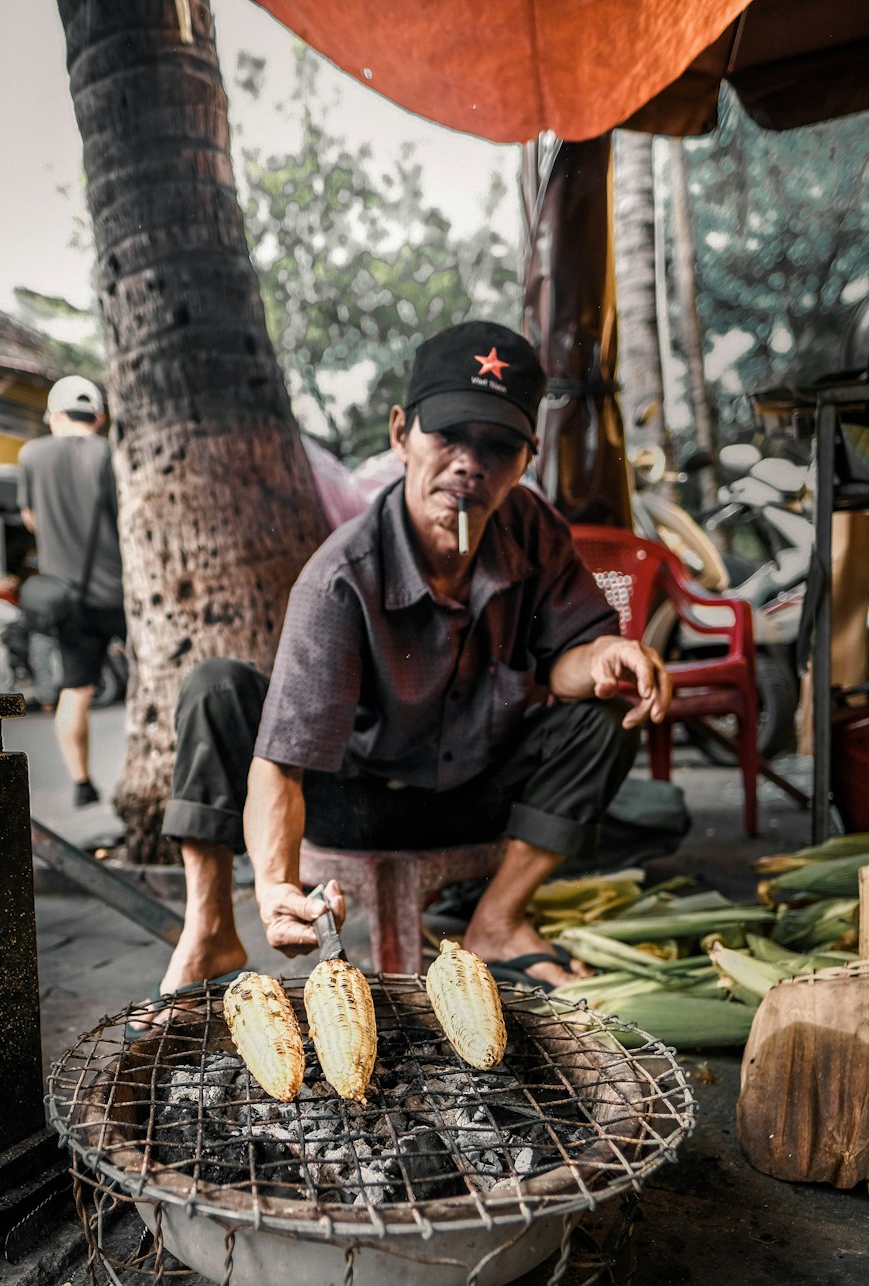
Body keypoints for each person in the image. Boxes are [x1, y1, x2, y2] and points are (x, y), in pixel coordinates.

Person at [144, 321, 671, 1006]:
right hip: (356, 802)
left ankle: (499, 919)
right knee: (217, 689)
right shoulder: (343, 577)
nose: (469, 464)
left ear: (525, 458)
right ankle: (211, 928)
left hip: (478, 798)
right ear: (401, 435)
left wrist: (607, 656)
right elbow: (282, 763)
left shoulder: (533, 528)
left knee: (611, 712)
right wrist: (276, 885)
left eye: (496, 446)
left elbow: (567, 665)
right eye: (447, 435)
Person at [17, 375, 126, 807]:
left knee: (75, 688)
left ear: (54, 416)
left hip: (67, 598)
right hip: (120, 594)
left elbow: (30, 519)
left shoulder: (31, 455)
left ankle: (82, 784)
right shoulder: (109, 455)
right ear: (98, 417)